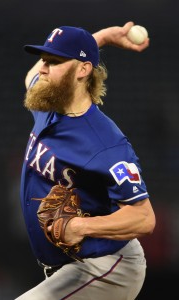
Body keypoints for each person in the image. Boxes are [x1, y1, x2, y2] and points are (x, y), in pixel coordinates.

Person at [16, 22, 155, 300]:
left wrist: (80, 227)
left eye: (53, 61)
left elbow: (144, 217)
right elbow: (31, 76)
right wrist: (101, 38)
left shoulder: (106, 144)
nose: (42, 68)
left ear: (83, 69)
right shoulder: (48, 105)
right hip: (72, 266)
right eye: (44, 59)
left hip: (109, 266)